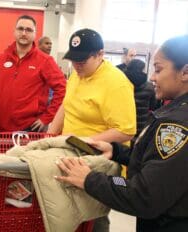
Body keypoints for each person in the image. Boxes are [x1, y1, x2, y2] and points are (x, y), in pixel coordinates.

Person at [55, 34, 188, 232]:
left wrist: (90, 179)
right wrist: (117, 152)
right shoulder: (173, 112)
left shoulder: (177, 125)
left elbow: (144, 194)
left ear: (185, 72)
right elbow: (158, 164)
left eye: (158, 69)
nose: (152, 76)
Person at [47, 28, 137, 232]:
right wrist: (50, 135)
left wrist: (83, 141)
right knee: (67, 211)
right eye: (74, 61)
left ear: (100, 55)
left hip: (95, 161)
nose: (76, 66)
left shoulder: (116, 83)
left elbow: (125, 130)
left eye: (82, 61)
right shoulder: (78, 73)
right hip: (69, 153)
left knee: (92, 216)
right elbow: (66, 104)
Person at [0, 15, 66, 132]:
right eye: (20, 29)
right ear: (14, 31)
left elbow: (62, 89)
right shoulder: (2, 59)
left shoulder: (45, 61)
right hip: (2, 127)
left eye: (29, 30)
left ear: (35, 34)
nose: (24, 33)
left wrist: (47, 117)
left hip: (30, 129)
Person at [124, 59, 158, 141]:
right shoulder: (150, 87)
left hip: (124, 125)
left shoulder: (122, 85)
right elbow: (153, 106)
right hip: (141, 126)